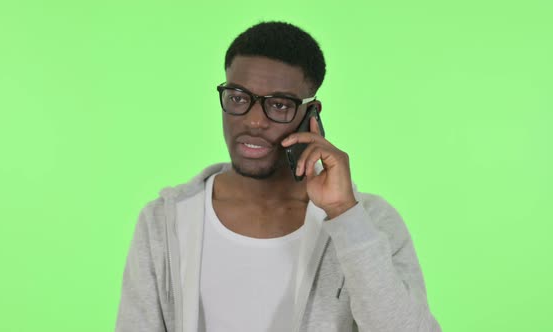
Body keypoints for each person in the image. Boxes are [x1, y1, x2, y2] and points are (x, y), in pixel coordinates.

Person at [116, 21, 441, 332]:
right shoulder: (165, 221)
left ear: (311, 113)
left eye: (280, 105)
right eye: (238, 98)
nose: (255, 121)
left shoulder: (369, 222)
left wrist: (344, 214)